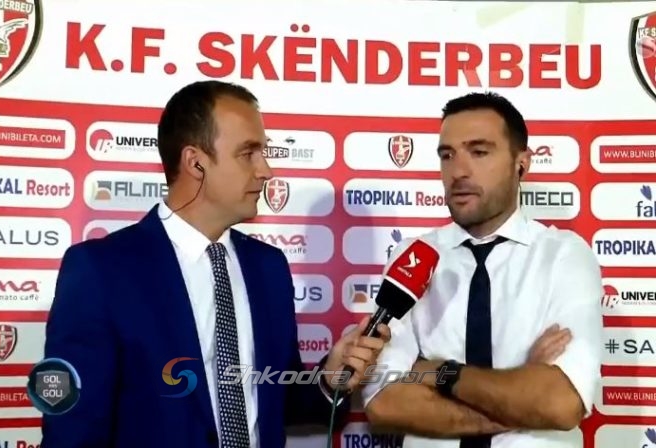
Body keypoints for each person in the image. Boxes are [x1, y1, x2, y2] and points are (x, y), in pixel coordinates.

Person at [40, 80, 391, 448]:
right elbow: (73, 434)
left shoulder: (268, 268)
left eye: (263, 152)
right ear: (196, 162)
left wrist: (329, 378)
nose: (266, 170)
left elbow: (277, 401)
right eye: (248, 153)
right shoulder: (100, 271)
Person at [362, 92, 603, 447]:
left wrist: (438, 372)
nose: (458, 171)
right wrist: (522, 386)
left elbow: (560, 403)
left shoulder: (564, 256)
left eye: (479, 152)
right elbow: (385, 404)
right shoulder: (413, 258)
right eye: (447, 155)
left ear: (521, 163)